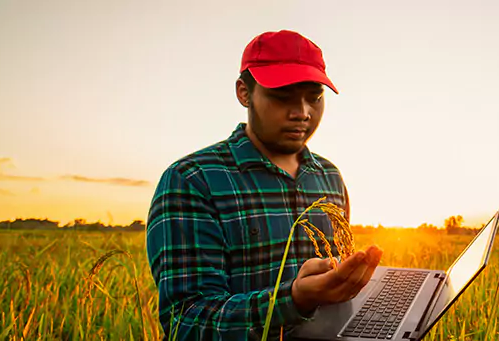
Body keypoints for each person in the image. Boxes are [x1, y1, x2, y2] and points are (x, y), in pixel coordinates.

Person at [146, 30, 383, 340]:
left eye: (314, 97)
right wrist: (296, 299)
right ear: (245, 93)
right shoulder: (192, 179)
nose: (302, 113)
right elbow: (188, 322)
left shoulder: (329, 176)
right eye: (282, 96)